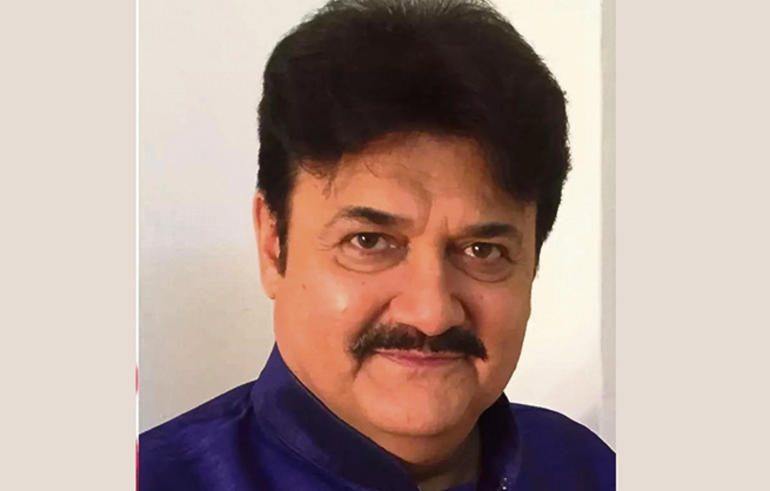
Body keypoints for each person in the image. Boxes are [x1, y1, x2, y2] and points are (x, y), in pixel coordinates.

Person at [139, 0, 615, 489]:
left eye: (482, 251)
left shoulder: (590, 471)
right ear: (272, 245)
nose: (431, 314)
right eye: (369, 242)